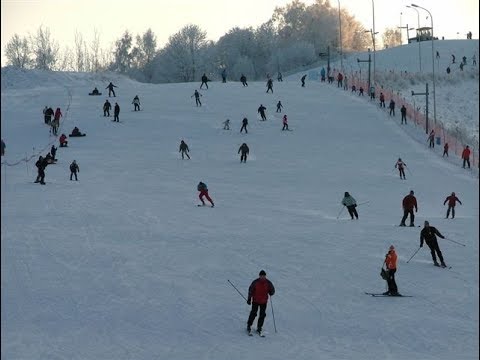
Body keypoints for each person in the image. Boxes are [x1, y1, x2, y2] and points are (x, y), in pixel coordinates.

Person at [246, 270, 275, 336]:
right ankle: (249, 325)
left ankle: (259, 327)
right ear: (259, 276)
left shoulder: (268, 283)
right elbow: (250, 290)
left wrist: (271, 292)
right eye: (261, 276)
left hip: (264, 302)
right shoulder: (255, 282)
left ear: (265, 276)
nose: (262, 277)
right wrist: (249, 299)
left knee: (262, 315)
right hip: (255, 301)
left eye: (263, 276)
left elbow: (272, 290)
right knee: (253, 313)